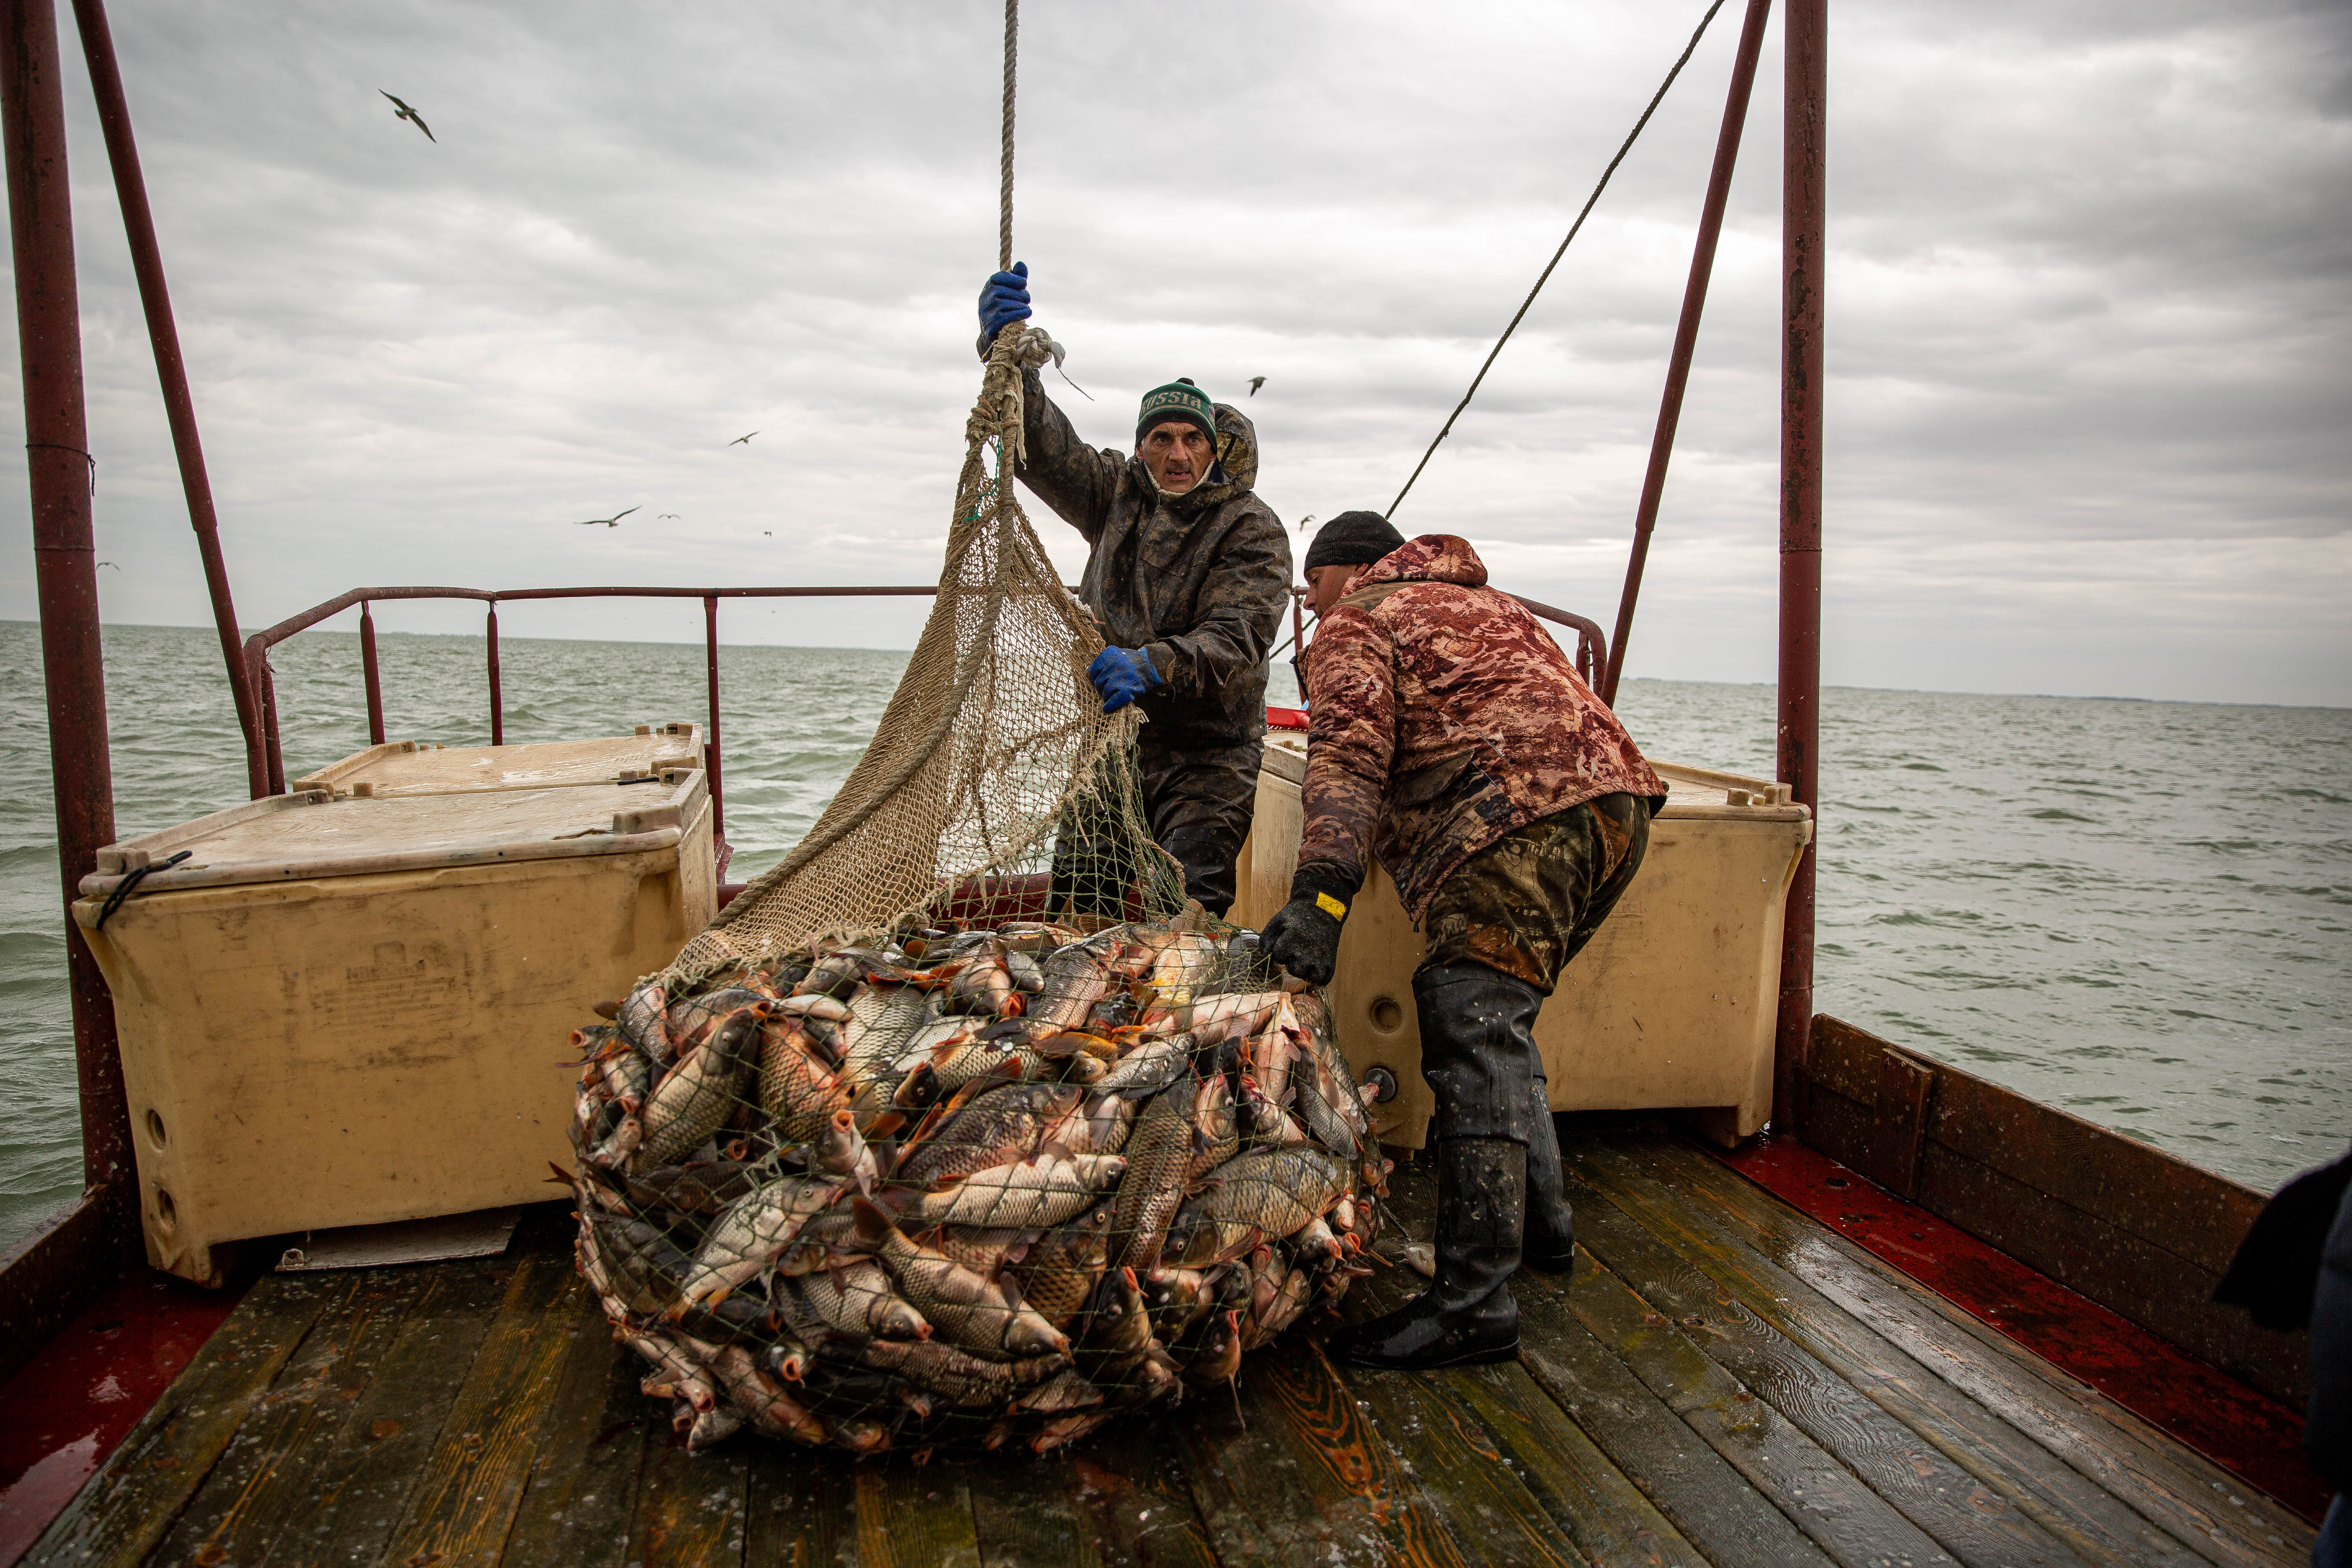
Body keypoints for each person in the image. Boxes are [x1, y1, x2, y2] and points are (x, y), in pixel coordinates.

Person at [1260, 512, 1666, 1371]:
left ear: (1349, 571)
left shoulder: (1358, 618)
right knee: (1500, 1024)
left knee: (1472, 1022)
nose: (1310, 599)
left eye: (1313, 581)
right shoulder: (1492, 605)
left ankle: (1473, 1306)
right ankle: (1542, 1234)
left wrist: (1320, 899)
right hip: (1619, 808)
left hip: (1513, 821)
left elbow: (1350, 756)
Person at [978, 264, 1291, 918]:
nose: (1178, 454)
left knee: (1188, 909)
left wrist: (1150, 665)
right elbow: (1047, 451)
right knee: (1079, 904)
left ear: (1212, 451)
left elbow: (1238, 638)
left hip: (1210, 753)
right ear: (1142, 447)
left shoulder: (1252, 526)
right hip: (1117, 742)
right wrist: (1011, 360)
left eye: (1192, 439)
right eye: (1162, 438)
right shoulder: (1116, 492)